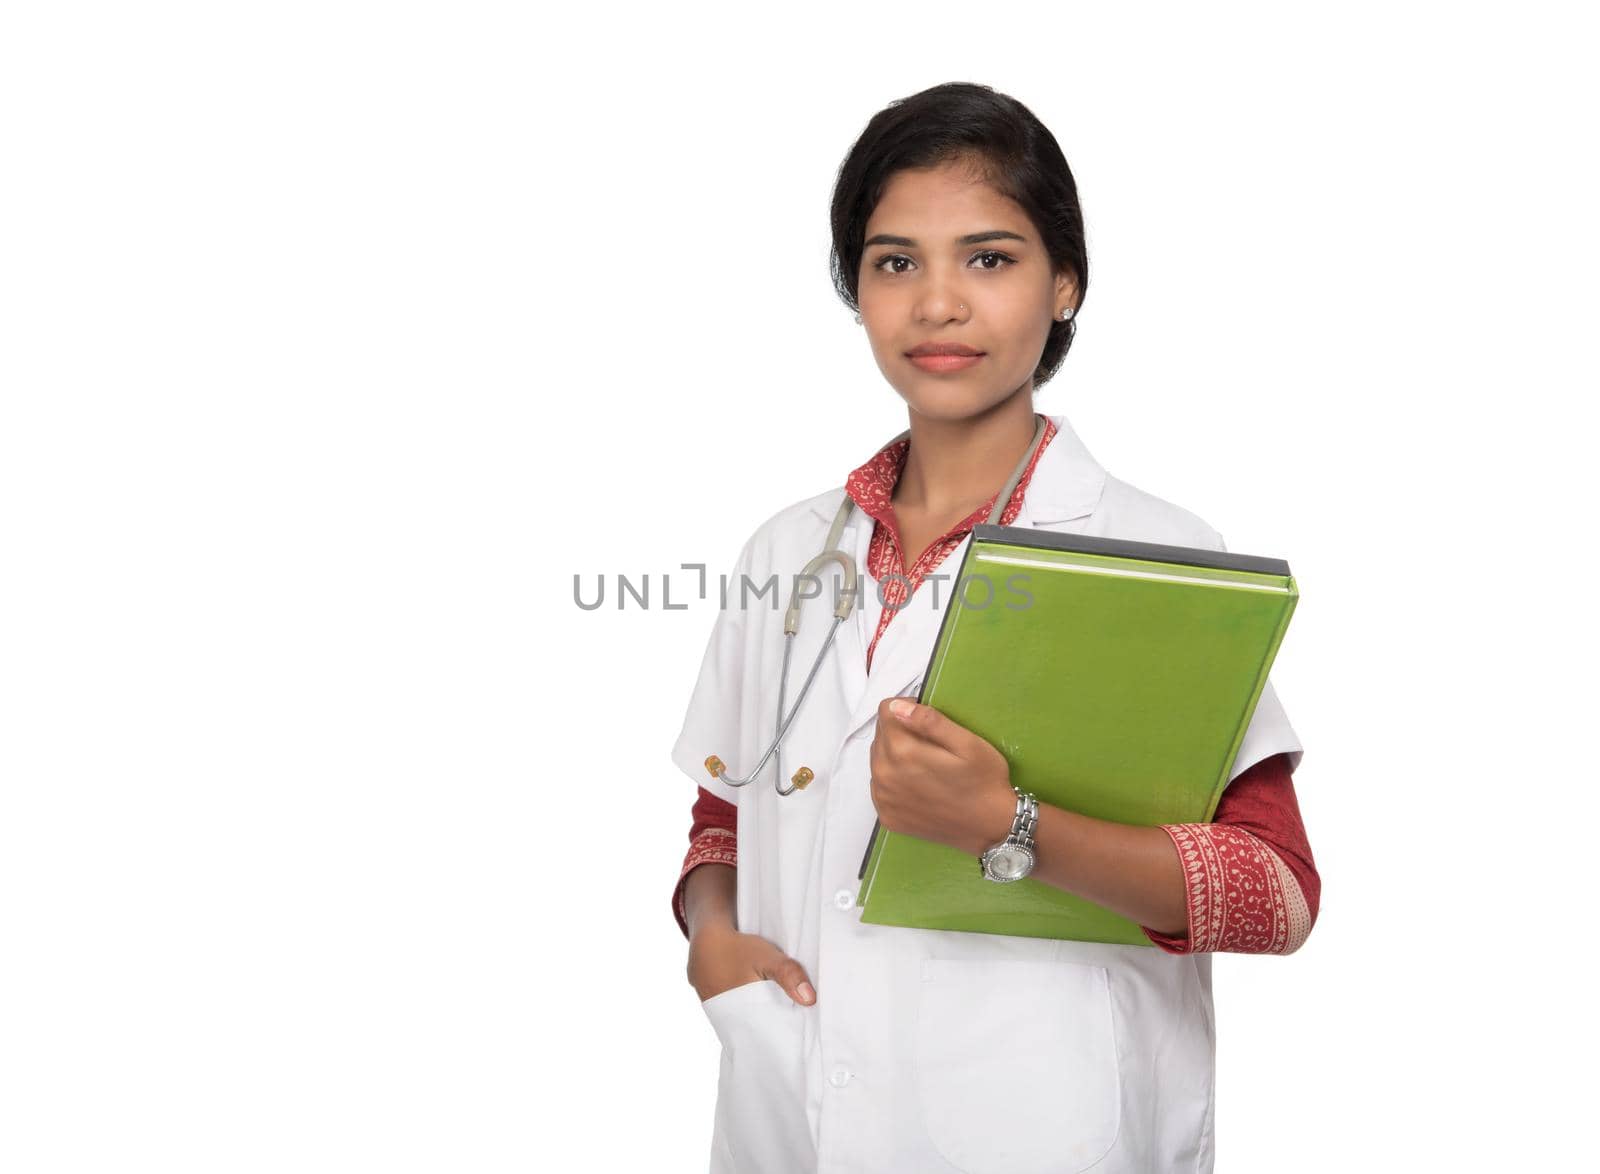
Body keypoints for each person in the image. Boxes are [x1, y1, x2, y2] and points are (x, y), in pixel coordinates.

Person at [669, 81, 1321, 1174]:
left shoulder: (1153, 552)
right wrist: (711, 945)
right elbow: (719, 817)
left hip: (1046, 1126)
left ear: (1063, 283)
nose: (936, 305)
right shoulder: (784, 553)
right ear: (855, 288)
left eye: (988, 258)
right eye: (894, 262)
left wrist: (1006, 823)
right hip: (792, 1122)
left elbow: (1277, 893)